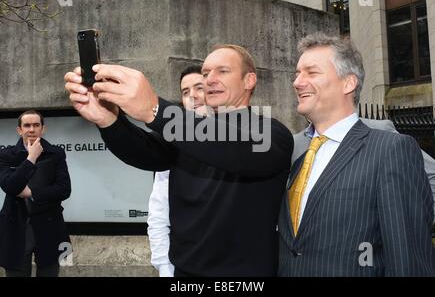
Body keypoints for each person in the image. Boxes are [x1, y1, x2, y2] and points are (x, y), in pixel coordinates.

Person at [64, 44, 294, 276]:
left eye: (222, 71)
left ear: (249, 80)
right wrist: (108, 120)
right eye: (205, 74)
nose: (209, 80)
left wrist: (155, 110)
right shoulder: (187, 135)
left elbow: (235, 148)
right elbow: (144, 152)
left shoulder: (270, 134)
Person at [278, 32, 434, 276]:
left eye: (311, 72)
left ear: (348, 83)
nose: (297, 82)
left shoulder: (390, 150)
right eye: (297, 73)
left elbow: (407, 259)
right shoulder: (298, 158)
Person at [292, 118, 435, 223]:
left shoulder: (377, 129)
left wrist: (415, 223)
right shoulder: (295, 143)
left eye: (313, 75)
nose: (300, 83)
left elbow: (430, 172)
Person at [148, 65, 206, 277]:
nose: (193, 96)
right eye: (185, 92)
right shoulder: (172, 145)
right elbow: (158, 214)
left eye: (199, 87)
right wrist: (164, 267)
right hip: (184, 268)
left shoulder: (241, 137)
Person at [0, 110, 72, 277]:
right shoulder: (6, 155)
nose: (31, 129)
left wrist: (32, 192)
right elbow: (10, 186)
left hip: (50, 225)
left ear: (43, 128)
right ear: (19, 130)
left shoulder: (56, 153)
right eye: (27, 125)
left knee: (50, 271)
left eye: (36, 125)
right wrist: (31, 159)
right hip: (16, 227)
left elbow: (64, 189)